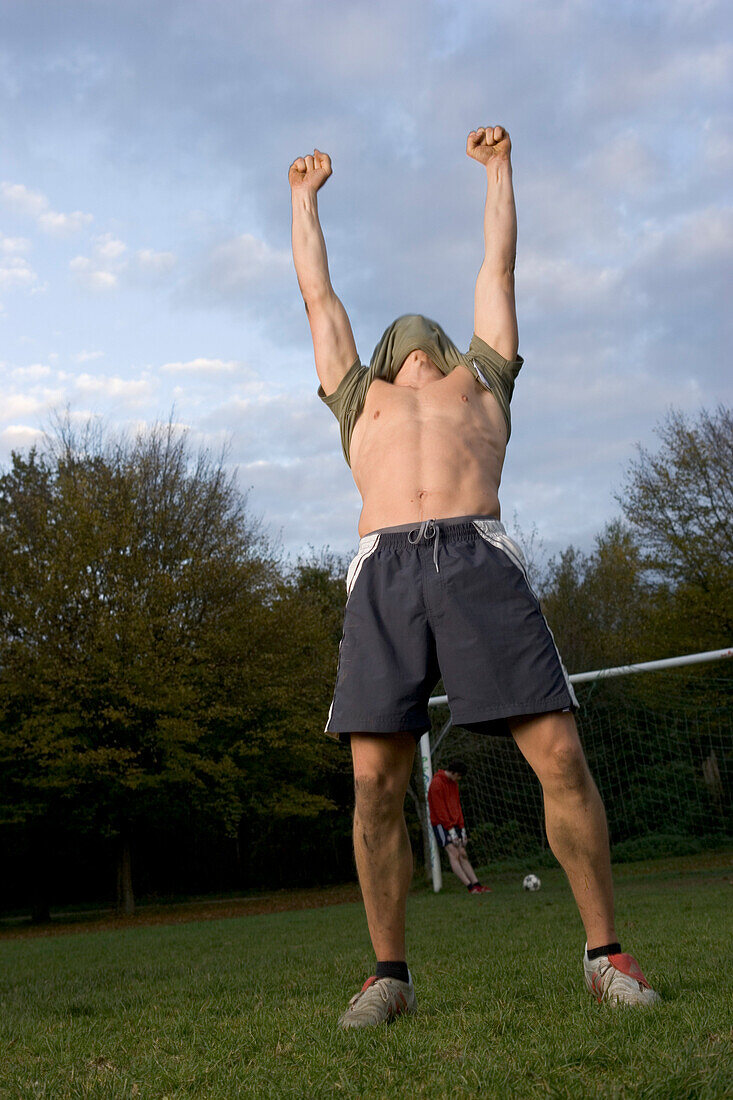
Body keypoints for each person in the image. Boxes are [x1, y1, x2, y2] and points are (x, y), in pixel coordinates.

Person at [288, 124, 660, 1028]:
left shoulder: (480, 382)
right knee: (375, 782)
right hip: (383, 574)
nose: (416, 339)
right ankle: (389, 976)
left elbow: (499, 270)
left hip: (474, 557)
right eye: (402, 339)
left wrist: (499, 169)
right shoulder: (357, 398)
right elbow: (317, 297)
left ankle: (604, 955)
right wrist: (301, 200)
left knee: (560, 754)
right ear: (384, 355)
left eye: (429, 337)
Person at [428, 760, 489, 894]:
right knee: (453, 853)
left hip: (454, 824)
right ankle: (470, 887)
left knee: (463, 853)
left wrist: (461, 829)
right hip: (441, 824)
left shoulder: (454, 784)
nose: (459, 779)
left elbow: (457, 806)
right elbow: (440, 810)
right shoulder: (436, 784)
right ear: (454, 772)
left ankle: (477, 884)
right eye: (459, 776)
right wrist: (451, 831)